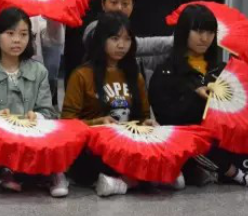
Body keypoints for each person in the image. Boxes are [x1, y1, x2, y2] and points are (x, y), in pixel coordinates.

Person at [150, 4, 248, 190]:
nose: (205, 38)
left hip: (222, 139)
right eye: (198, 31)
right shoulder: (166, 72)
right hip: (190, 142)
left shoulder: (222, 69)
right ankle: (241, 176)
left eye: (210, 32)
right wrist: (196, 97)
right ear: (184, 32)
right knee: (196, 142)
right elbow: (167, 119)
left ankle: (237, 170)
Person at [62, 12, 174, 198]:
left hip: (128, 144)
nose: (121, 45)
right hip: (94, 147)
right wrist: (97, 123)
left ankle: (124, 182)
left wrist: (147, 123)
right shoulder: (81, 75)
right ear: (101, 40)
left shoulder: (135, 75)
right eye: (115, 38)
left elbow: (143, 116)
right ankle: (140, 179)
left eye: (127, 39)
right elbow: (67, 123)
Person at [0, 8, 64, 197]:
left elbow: (48, 111)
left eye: (23, 34)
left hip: (29, 138)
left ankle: (49, 174)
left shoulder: (39, 71)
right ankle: (10, 173)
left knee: (57, 135)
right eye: (10, 34)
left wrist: (38, 116)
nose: (17, 40)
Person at [83, 0, 174, 84]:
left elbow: (145, 60)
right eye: (113, 2)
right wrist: (174, 40)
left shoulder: (130, 30)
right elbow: (137, 46)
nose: (119, 8)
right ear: (103, 4)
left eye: (125, 4)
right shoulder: (94, 28)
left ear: (132, 6)